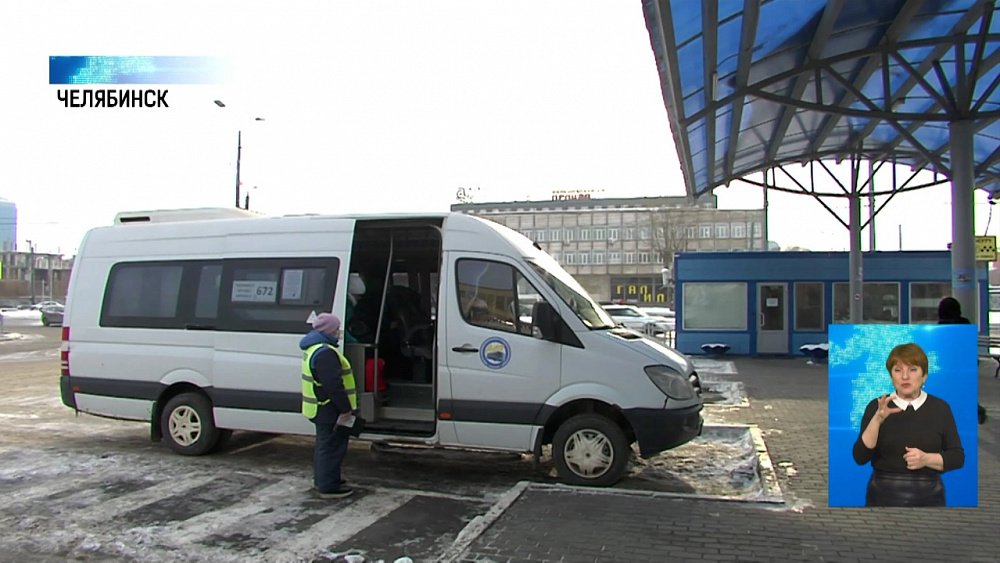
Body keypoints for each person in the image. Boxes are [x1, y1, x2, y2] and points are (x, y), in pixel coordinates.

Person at [852, 342, 964, 507]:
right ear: (891, 377)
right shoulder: (877, 406)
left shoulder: (940, 408)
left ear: (924, 376)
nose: (905, 377)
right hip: (883, 494)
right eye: (898, 370)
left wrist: (926, 459)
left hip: (930, 495)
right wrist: (877, 420)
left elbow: (957, 457)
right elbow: (860, 457)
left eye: (912, 370)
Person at [299, 312, 357, 499]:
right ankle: (328, 486)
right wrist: (345, 408)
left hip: (320, 407)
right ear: (329, 330)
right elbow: (334, 386)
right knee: (331, 447)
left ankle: (325, 479)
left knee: (326, 446)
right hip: (328, 408)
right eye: (337, 329)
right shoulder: (325, 353)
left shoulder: (314, 348)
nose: (339, 332)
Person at [936, 296, 986, 424]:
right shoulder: (965, 325)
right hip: (964, 368)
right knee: (964, 393)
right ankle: (973, 411)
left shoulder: (940, 328)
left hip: (947, 370)